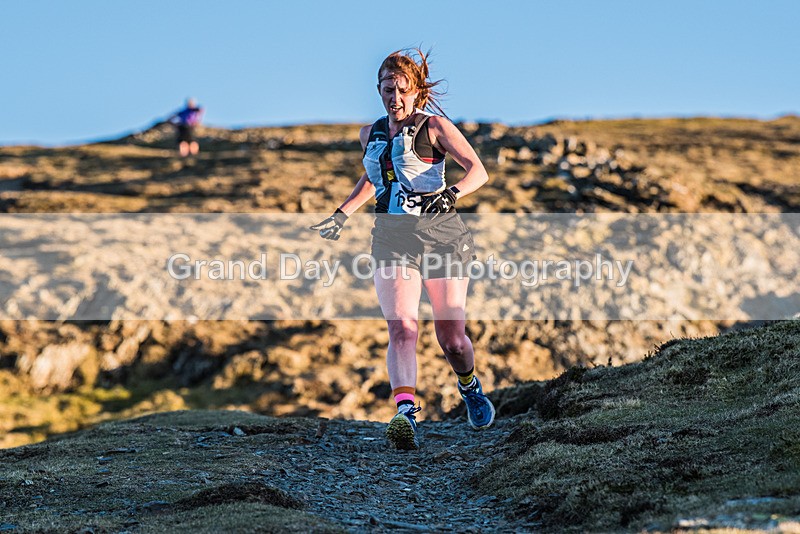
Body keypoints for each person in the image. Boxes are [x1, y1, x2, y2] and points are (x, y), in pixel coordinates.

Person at [311, 49, 495, 450]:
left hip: (442, 238)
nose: (393, 97)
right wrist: (341, 213)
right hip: (392, 239)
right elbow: (375, 176)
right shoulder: (371, 134)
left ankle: (469, 384)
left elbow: (478, 171)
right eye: (386, 89)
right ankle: (405, 413)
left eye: (401, 90)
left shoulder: (434, 127)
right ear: (377, 89)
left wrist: (451, 195)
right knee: (402, 327)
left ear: (416, 93)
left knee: (452, 340)